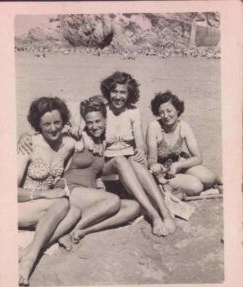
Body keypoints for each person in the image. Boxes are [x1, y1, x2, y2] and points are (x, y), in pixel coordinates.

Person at [69, 72, 175, 237]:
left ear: (129, 93)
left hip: (131, 160)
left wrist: (141, 150)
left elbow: (140, 142)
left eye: (122, 92)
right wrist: (77, 127)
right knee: (120, 160)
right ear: (108, 92)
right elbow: (80, 108)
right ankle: (153, 215)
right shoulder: (102, 110)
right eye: (114, 92)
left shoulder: (133, 112)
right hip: (108, 163)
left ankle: (164, 211)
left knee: (135, 159)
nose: (118, 96)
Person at [59, 95, 141, 247]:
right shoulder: (75, 137)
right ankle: (70, 230)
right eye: (89, 122)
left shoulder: (105, 141)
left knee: (134, 207)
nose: (94, 126)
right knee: (113, 200)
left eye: (98, 121)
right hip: (73, 191)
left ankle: (86, 229)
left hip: (91, 196)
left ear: (105, 120)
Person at [18, 97, 81, 286]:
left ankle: (28, 250)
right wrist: (42, 194)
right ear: (38, 124)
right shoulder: (29, 146)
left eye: (57, 123)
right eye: (47, 124)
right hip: (21, 206)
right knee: (63, 204)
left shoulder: (68, 145)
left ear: (64, 122)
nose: (53, 128)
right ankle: (30, 260)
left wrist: (59, 185)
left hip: (46, 208)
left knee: (76, 211)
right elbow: (7, 192)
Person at [146, 91, 220, 196]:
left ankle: (218, 184)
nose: (166, 116)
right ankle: (171, 189)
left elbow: (198, 158)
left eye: (169, 111)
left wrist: (178, 165)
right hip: (162, 174)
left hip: (178, 166)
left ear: (178, 110)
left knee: (209, 178)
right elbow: (151, 160)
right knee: (196, 186)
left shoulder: (184, 126)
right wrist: (155, 166)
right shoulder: (154, 127)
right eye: (161, 112)